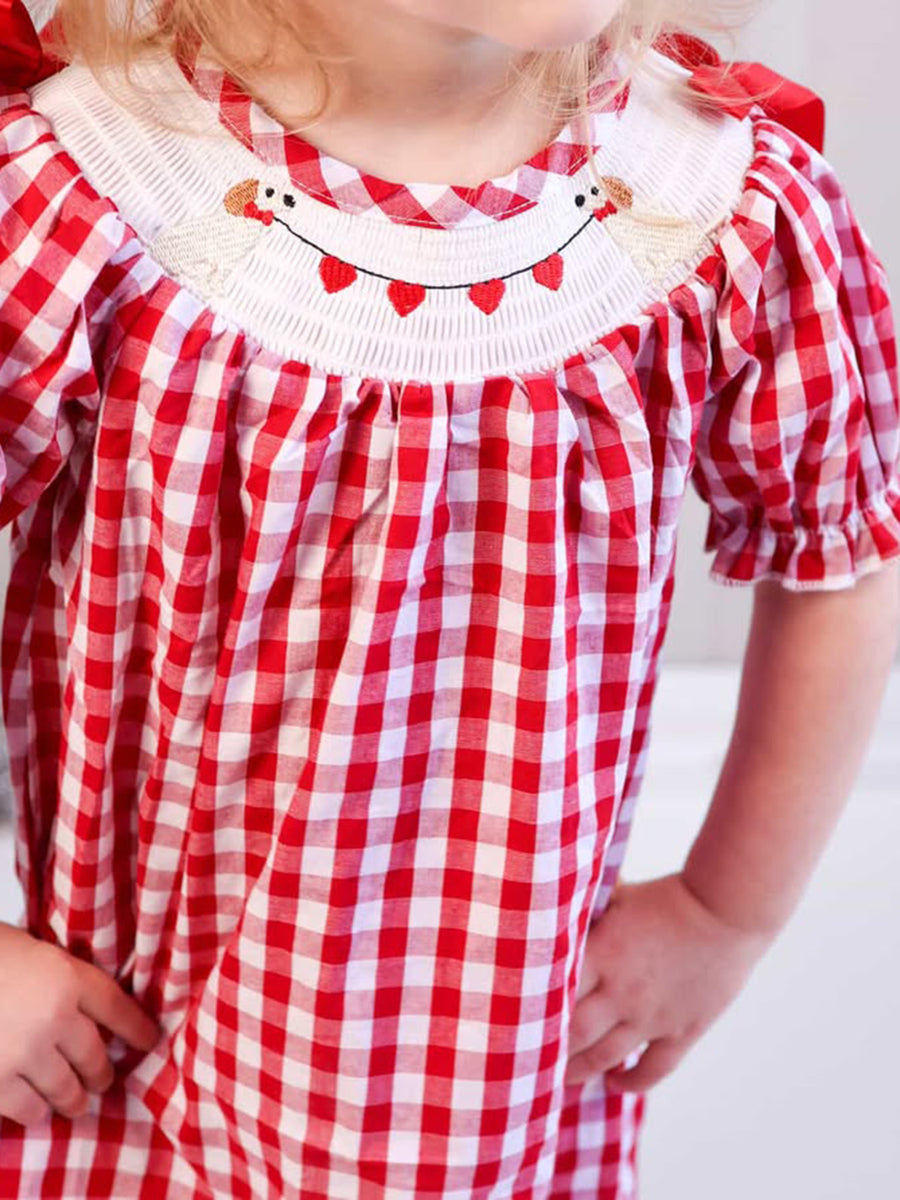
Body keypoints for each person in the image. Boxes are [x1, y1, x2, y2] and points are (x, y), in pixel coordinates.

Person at [0, 0, 898, 1196]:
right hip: (132, 1043)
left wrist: (724, 912)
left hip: (494, 1064)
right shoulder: (91, 193)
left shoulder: (713, 206)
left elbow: (838, 551)